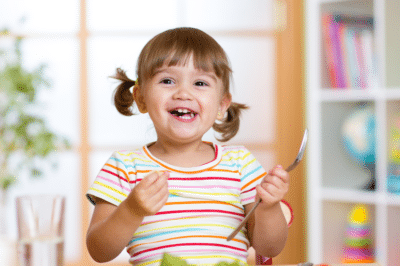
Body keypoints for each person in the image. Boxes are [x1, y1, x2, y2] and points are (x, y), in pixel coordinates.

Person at [86, 27, 289, 266]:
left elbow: (269, 247)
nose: (183, 93)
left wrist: (269, 207)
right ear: (141, 98)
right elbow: (99, 251)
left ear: (222, 104)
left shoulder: (240, 164)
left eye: (200, 83)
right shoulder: (125, 166)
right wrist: (131, 210)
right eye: (167, 81)